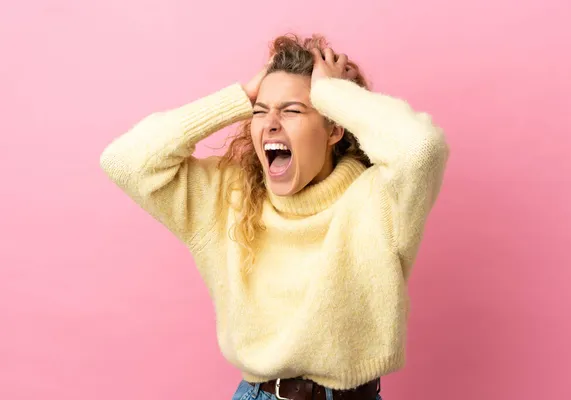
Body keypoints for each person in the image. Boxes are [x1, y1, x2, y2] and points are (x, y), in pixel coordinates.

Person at [100, 33, 449, 400]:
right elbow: (125, 161)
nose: (270, 123)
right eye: (260, 111)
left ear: (334, 128)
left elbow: (421, 147)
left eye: (292, 110)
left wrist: (333, 94)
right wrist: (240, 96)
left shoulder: (379, 199)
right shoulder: (226, 198)